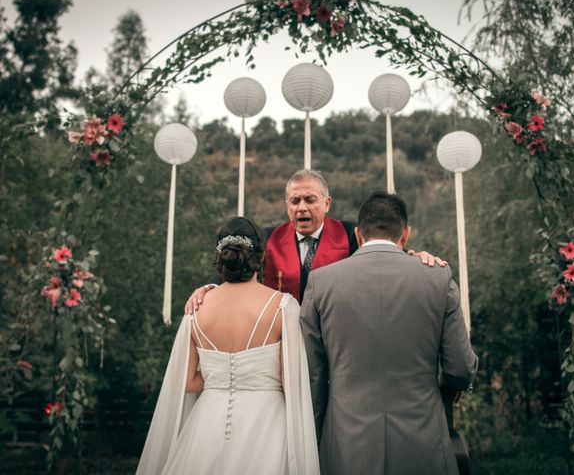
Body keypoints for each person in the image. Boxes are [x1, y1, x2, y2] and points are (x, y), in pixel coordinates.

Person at [300, 191, 478, 475]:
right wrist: (444, 390)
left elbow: (313, 375)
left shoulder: (321, 282)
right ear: (405, 235)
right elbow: (460, 368)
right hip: (424, 440)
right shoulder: (438, 277)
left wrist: (317, 436)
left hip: (347, 443)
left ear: (358, 235)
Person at [137, 217, 320, 475]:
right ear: (259, 255)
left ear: (221, 257)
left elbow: (185, 381)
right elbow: (291, 381)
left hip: (207, 421)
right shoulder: (283, 306)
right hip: (266, 423)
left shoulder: (196, 308)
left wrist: (219, 377)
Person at [184, 169, 446, 313]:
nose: (301, 208)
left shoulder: (351, 234)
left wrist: (414, 256)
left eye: (310, 200)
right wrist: (208, 287)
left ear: (327, 203)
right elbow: (235, 266)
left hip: (337, 339)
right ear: (286, 205)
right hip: (279, 339)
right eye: (295, 201)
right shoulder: (266, 237)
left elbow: (386, 251)